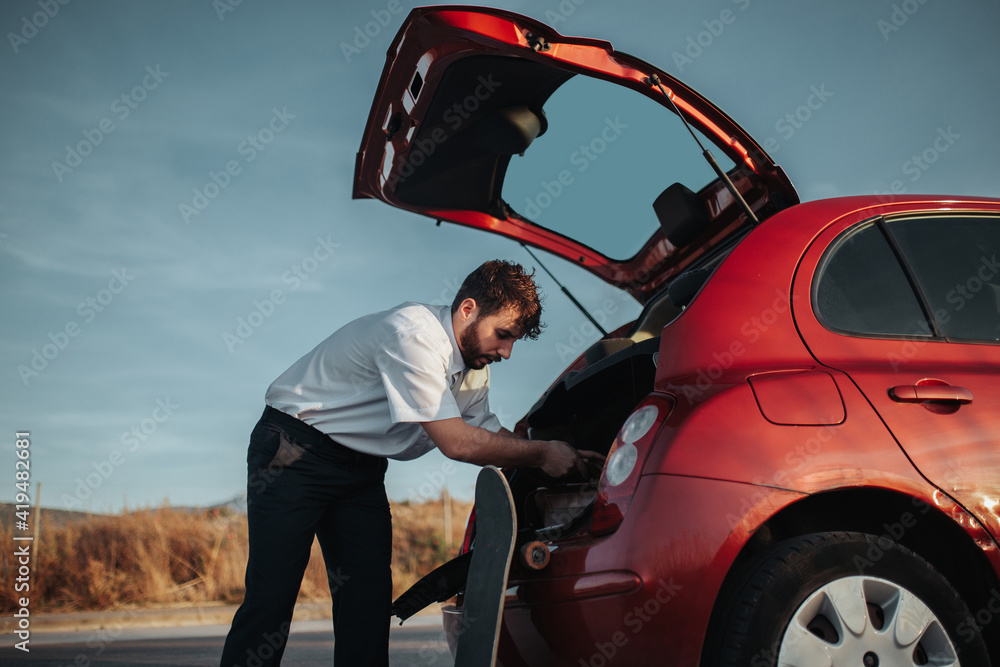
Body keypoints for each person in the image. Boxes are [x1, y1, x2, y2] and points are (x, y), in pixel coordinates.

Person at [220, 259, 600, 666]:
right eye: (502, 335)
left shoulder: (473, 371)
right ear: (468, 309)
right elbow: (458, 443)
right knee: (272, 596)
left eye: (513, 342)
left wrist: (563, 457)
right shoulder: (414, 335)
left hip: (360, 469)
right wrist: (543, 455)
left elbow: (488, 434)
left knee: (366, 600)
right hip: (294, 450)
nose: (506, 352)